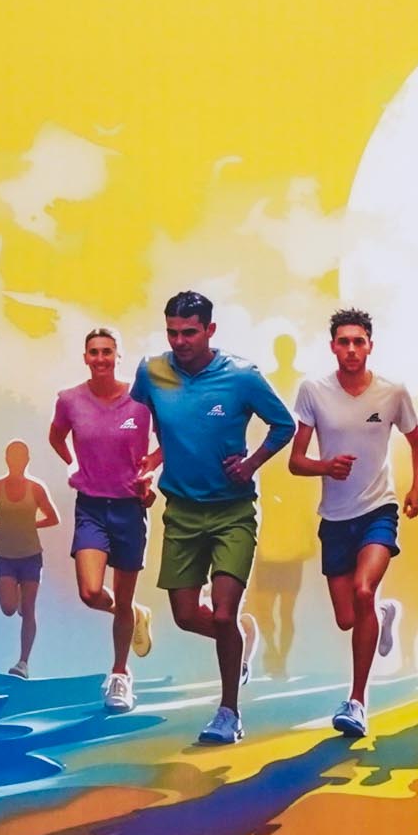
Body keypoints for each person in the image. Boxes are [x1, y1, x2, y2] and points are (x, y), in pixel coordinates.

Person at [132, 292, 296, 744]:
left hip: (232, 512)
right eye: (172, 332)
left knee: (224, 614)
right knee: (186, 615)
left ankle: (228, 713)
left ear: (210, 330)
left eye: (189, 332)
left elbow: (284, 425)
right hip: (181, 512)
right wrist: (146, 468)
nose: (180, 341)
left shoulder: (241, 376)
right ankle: (241, 640)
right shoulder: (151, 372)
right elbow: (139, 423)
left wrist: (252, 463)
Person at [290, 309, 418, 738]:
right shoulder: (313, 391)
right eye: (343, 342)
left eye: (358, 341)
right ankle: (383, 613)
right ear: (333, 346)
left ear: (370, 345)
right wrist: (325, 466)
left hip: (378, 510)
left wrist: (414, 489)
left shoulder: (392, 392)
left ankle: (357, 702)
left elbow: (417, 442)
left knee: (364, 589)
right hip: (335, 518)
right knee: (348, 617)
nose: (351, 349)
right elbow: (296, 461)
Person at [49, 327, 160, 710]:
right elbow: (56, 437)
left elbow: (169, 440)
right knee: (91, 592)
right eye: (94, 352)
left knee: (122, 597)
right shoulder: (69, 400)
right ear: (85, 357)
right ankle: (133, 614)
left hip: (130, 508)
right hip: (91, 507)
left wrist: (150, 469)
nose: (100, 358)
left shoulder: (141, 401)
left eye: (107, 352)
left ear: (117, 356)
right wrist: (72, 464)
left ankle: (119, 675)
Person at [248, 333, 320, 681]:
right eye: (280, 348)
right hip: (268, 523)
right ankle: (271, 647)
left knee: (288, 608)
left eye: (289, 348)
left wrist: (309, 524)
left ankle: (281, 657)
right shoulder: (266, 383)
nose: (284, 353)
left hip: (294, 518)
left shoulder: (305, 386)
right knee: (263, 604)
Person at [0, 442, 59, 680]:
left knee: (28, 610)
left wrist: (30, 524)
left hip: (31, 556)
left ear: (27, 460)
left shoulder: (36, 489)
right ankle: (17, 596)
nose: (16, 461)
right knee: (9, 609)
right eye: (12, 457)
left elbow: (53, 518)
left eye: (21, 457)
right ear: (7, 459)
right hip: (5, 557)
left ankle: (23, 663)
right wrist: (4, 524)